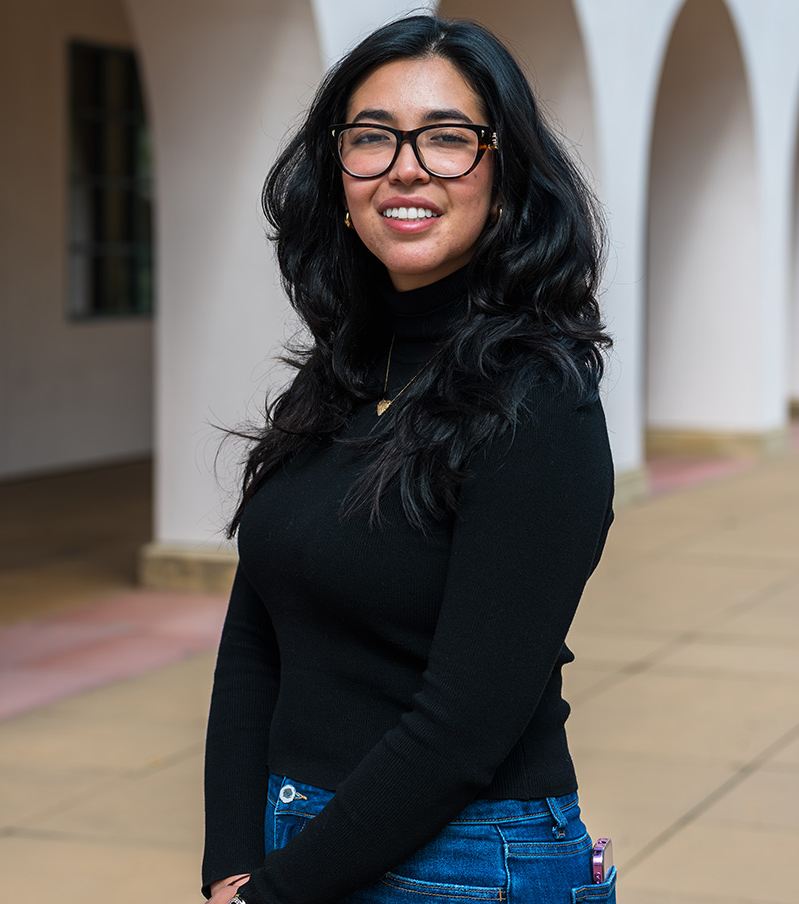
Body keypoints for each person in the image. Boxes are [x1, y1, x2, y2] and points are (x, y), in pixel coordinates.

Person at [202, 14, 616, 904]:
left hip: (463, 858)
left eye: (446, 138)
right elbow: (255, 637)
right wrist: (230, 863)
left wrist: (274, 896)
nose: (405, 166)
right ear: (338, 174)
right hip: (300, 843)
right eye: (372, 137)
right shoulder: (342, 373)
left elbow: (466, 720)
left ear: (504, 178)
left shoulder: (538, 398)